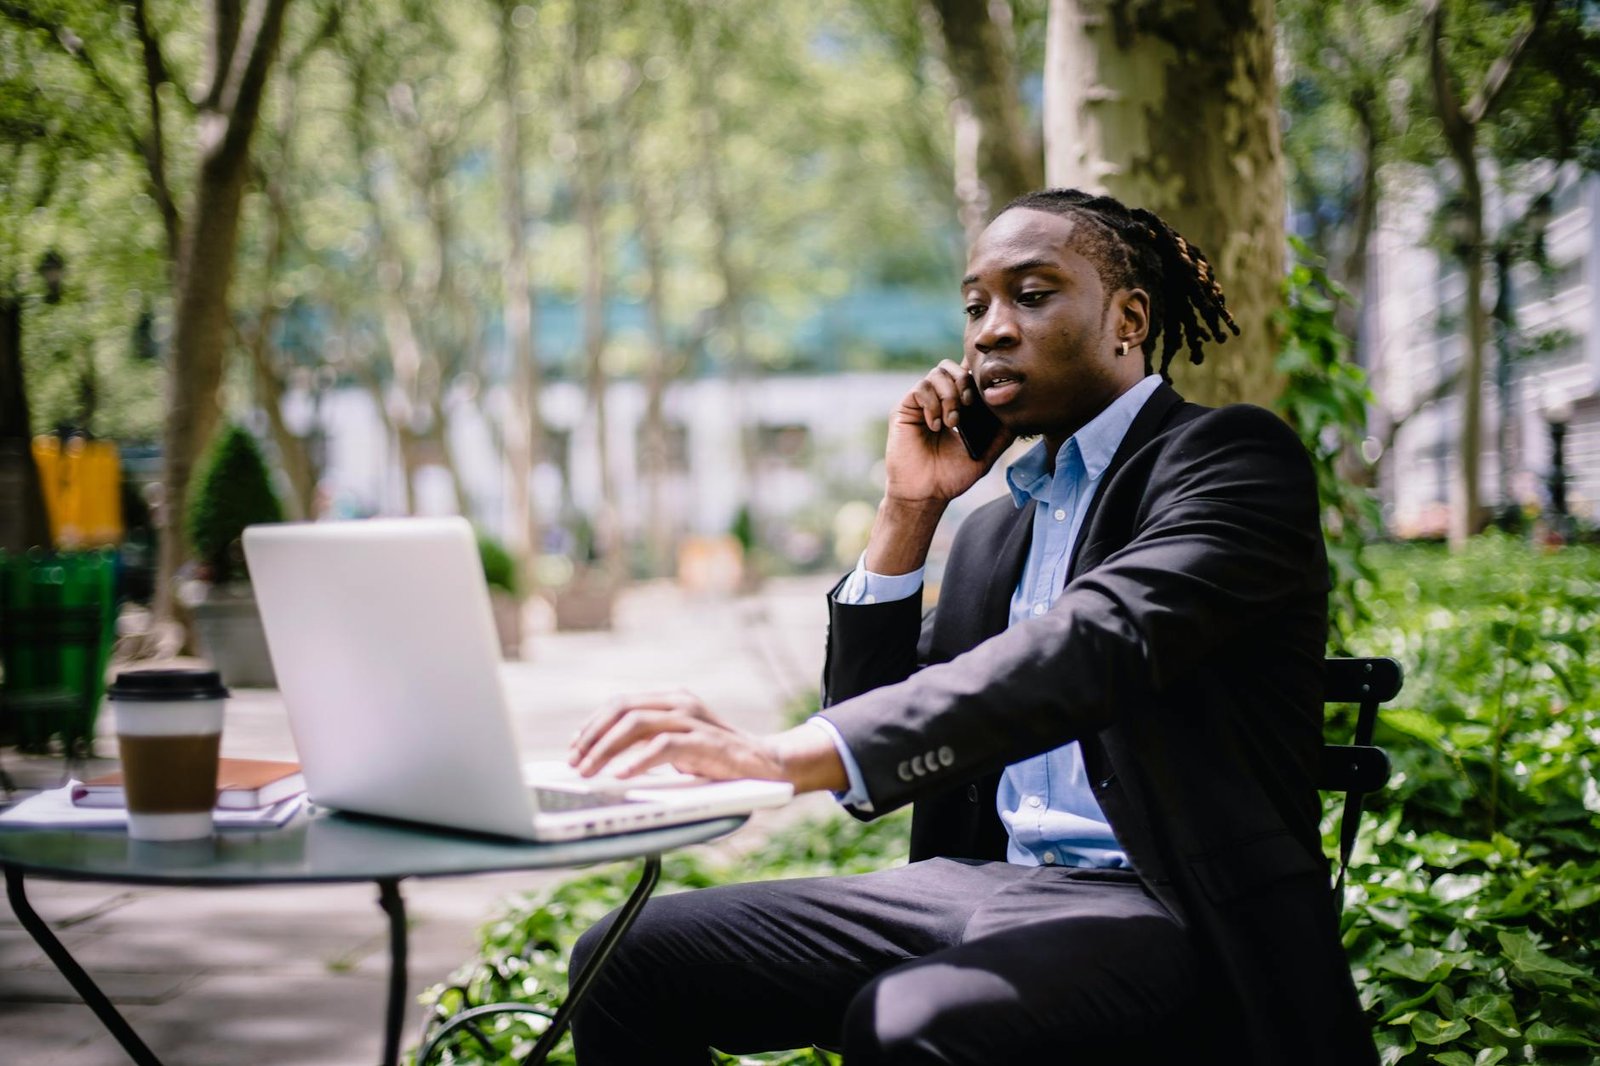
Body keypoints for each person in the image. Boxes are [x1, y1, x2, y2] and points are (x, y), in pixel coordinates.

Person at [565, 188, 1377, 1065]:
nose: (990, 328)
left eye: (1031, 295)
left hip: (1166, 906)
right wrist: (907, 509)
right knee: (624, 959)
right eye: (976, 305)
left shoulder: (1228, 460)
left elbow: (1097, 640)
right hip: (974, 888)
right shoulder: (995, 530)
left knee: (909, 1021)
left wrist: (782, 755)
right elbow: (888, 714)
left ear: (1128, 318)